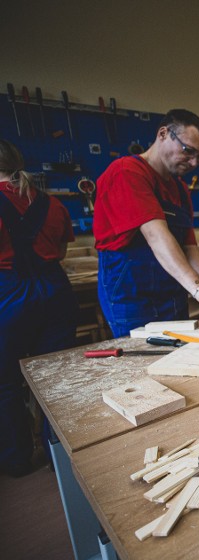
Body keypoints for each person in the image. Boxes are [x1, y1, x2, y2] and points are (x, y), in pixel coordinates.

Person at [94, 109, 199, 337]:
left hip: (171, 290)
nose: (193, 163)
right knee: (143, 361)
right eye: (188, 151)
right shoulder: (126, 173)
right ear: (163, 134)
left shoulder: (179, 188)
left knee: (177, 357)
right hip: (131, 293)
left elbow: (189, 248)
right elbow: (156, 236)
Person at [0, 140, 77, 477]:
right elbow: (60, 252)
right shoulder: (51, 203)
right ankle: (55, 455)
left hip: (8, 293)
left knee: (6, 383)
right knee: (54, 379)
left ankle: (16, 459)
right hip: (55, 291)